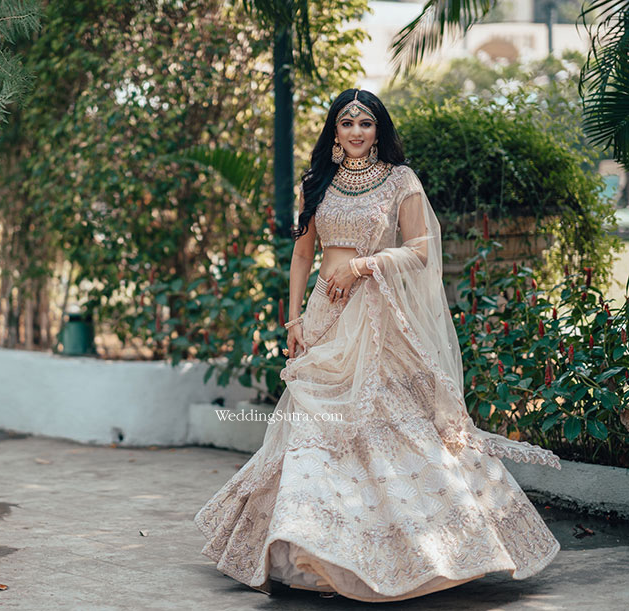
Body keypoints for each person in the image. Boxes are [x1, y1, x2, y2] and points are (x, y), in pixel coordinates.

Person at [193, 88, 562, 603]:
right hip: (325, 316)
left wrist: (363, 266)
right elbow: (301, 255)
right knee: (314, 429)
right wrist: (294, 318)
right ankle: (314, 556)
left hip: (377, 319)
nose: (356, 132)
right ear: (334, 130)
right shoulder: (317, 181)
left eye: (365, 123)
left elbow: (421, 250)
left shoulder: (400, 180)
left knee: (390, 427)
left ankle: (406, 554)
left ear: (378, 129)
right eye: (347, 123)